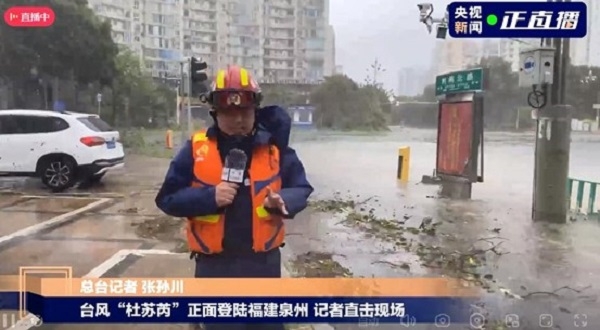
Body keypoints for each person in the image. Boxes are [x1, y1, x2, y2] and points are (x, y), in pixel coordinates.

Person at [155, 65, 313, 330]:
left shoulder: (275, 150)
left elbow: (302, 187)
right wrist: (209, 197)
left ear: (255, 110)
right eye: (229, 112)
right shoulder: (195, 150)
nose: (238, 119)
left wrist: (283, 201)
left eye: (245, 111)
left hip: (264, 268)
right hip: (215, 269)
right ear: (215, 112)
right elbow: (168, 198)